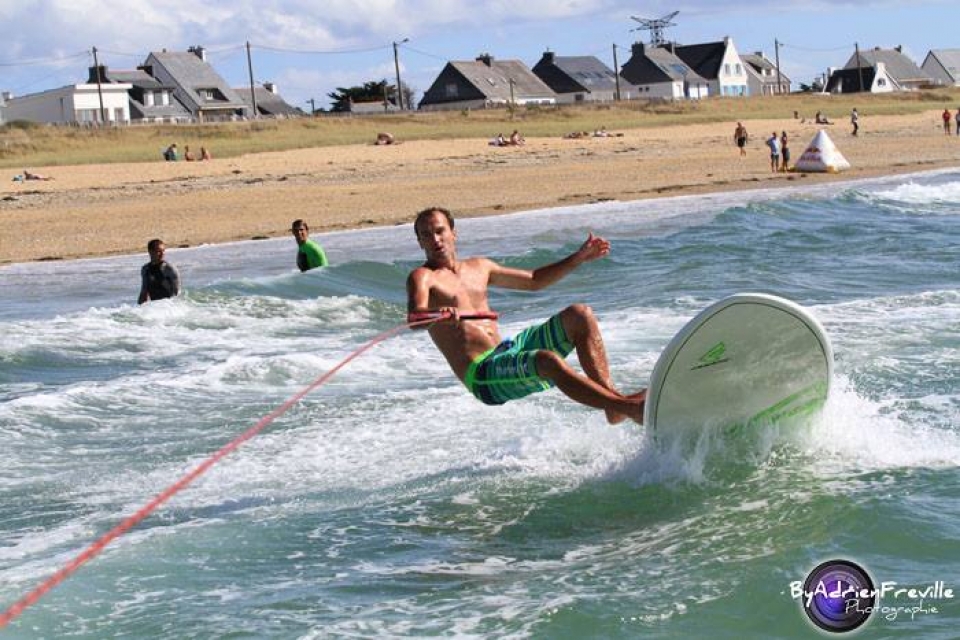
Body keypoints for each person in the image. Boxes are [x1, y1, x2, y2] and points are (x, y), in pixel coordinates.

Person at [406, 207, 645, 424]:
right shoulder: (423, 277)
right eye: (426, 235)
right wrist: (436, 314)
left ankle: (614, 407)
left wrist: (579, 257)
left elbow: (534, 280)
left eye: (440, 231)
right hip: (481, 374)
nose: (435, 239)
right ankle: (628, 407)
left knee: (580, 315)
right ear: (419, 242)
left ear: (453, 233)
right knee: (547, 360)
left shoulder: (480, 267)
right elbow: (415, 319)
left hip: (507, 352)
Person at [137, 239, 181, 304]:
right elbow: (144, 292)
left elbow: (177, 294)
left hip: (170, 306)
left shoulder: (170, 269)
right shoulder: (145, 269)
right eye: (159, 251)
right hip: (155, 307)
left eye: (163, 251)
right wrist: (138, 308)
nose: (162, 254)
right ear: (150, 252)